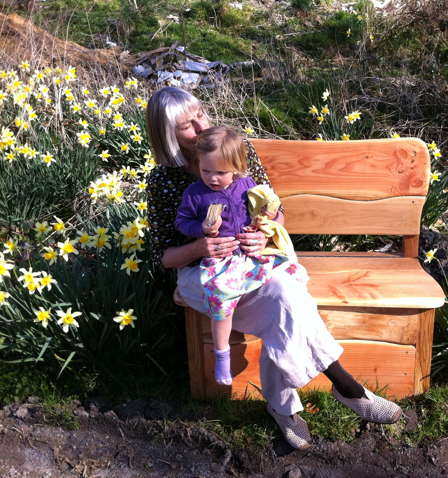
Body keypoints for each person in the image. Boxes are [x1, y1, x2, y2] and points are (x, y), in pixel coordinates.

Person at [146, 86, 402, 450]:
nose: (201, 125)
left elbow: (273, 208)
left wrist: (263, 234)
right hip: (204, 277)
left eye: (200, 113)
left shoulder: (236, 147)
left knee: (286, 296)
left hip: (251, 262)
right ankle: (344, 386)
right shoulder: (164, 180)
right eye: (187, 125)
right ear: (167, 134)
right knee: (285, 304)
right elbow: (163, 257)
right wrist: (200, 246)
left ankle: (285, 408)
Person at [174, 125, 305, 387]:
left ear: (237, 167)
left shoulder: (246, 185)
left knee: (291, 279)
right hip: (220, 262)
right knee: (222, 300)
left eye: (221, 172)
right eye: (206, 170)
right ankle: (221, 353)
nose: (212, 178)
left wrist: (263, 221)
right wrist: (200, 229)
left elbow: (269, 206)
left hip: (248, 255)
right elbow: (181, 222)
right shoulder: (195, 194)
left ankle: (290, 362)